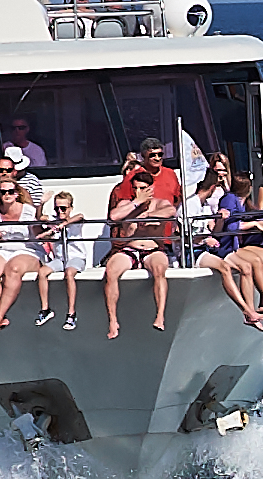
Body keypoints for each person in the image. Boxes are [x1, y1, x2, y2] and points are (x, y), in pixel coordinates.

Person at [182, 170, 263, 331]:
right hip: (191, 251)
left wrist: (220, 220)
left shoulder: (205, 206)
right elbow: (182, 236)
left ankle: (251, 311)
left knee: (245, 267)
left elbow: (215, 231)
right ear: (212, 187)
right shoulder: (189, 206)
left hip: (206, 248)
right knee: (224, 267)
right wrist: (205, 239)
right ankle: (247, 311)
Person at [103, 170, 176, 339]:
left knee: (159, 269)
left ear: (150, 188)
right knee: (111, 270)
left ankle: (160, 315)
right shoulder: (126, 204)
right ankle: (113, 321)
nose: (138, 192)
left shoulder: (160, 204)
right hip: (130, 249)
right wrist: (136, 204)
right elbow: (114, 216)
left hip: (152, 249)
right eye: (135, 188)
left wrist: (149, 215)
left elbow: (170, 211)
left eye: (142, 188)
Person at [221, 169, 263, 323]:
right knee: (256, 262)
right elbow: (230, 227)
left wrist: (262, 222)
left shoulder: (246, 203)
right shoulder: (230, 199)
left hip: (243, 243)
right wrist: (253, 224)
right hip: (230, 245)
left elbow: (261, 217)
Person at [0, 181, 45, 334]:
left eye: (10, 191)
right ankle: (2, 316)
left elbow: (39, 234)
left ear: (17, 193)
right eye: (3, 192)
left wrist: (40, 216)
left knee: (13, 269)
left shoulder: (29, 211)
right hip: (3, 248)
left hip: (28, 248)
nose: (7, 195)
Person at [34, 191, 93, 330]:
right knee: (42, 272)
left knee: (69, 273)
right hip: (60, 259)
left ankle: (71, 313)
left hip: (76, 258)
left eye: (63, 208)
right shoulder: (53, 221)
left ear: (70, 208)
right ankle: (45, 309)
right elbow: (39, 218)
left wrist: (64, 224)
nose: (60, 211)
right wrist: (41, 203)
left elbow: (80, 216)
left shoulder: (75, 222)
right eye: (57, 208)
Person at [109, 138, 181, 206]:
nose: (157, 158)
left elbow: (178, 198)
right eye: (152, 155)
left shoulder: (170, 173)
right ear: (143, 155)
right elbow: (121, 203)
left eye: (160, 154)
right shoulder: (133, 175)